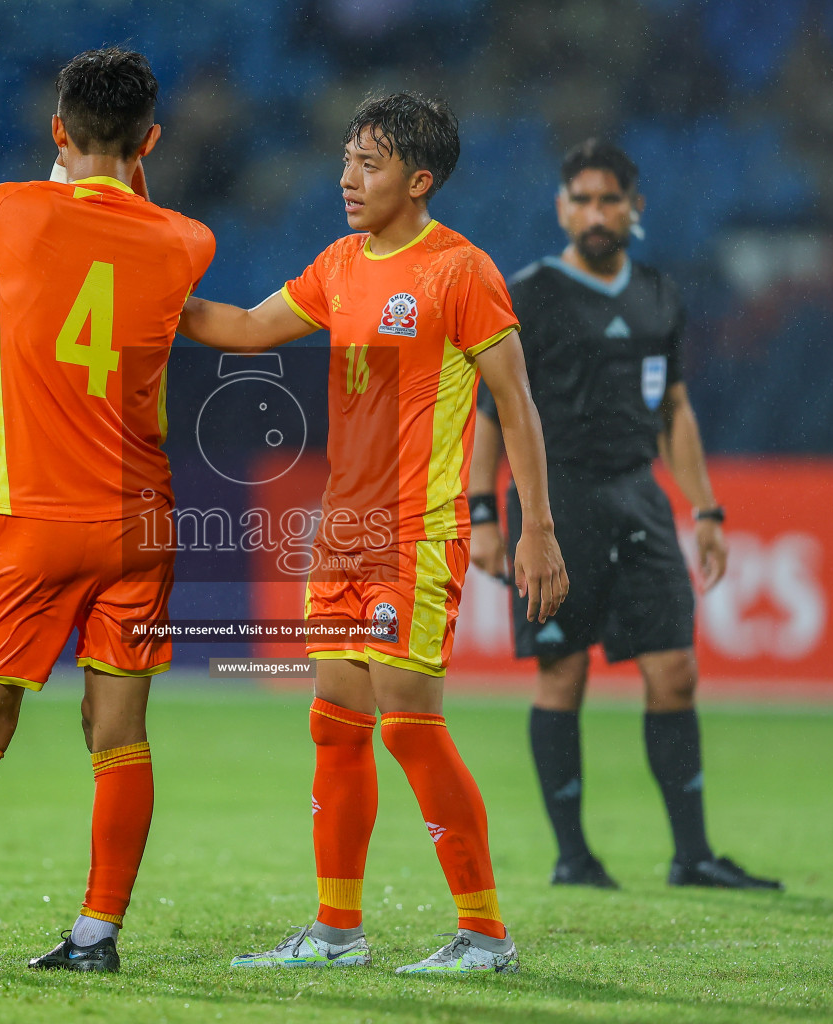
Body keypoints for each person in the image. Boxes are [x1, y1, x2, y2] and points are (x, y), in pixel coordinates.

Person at [179, 92, 568, 975]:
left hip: (418, 530)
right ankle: (336, 933)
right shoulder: (341, 264)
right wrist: (147, 291)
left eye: (371, 163)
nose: (349, 178)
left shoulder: (461, 272)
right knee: (336, 727)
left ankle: (485, 935)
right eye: (348, 158)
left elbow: (518, 404)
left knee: (410, 727)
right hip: (341, 536)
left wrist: (533, 524)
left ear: (419, 179)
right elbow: (241, 330)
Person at [0, 47, 215, 974]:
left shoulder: (4, 209)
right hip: (138, 525)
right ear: (151, 141)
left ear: (55, 133)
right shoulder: (186, 241)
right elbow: (139, 219)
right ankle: (96, 936)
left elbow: (59, 200)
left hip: (34, 519)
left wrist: (79, 172)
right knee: (119, 732)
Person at [468, 138, 781, 892]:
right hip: (556, 498)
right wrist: (483, 514)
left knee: (674, 671)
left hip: (638, 495)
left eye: (610, 199)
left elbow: (673, 409)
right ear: (561, 208)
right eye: (581, 199)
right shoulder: (530, 293)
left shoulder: (659, 296)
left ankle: (692, 856)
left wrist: (706, 507)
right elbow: (492, 410)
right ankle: (573, 858)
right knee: (561, 673)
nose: (595, 213)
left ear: (635, 209)